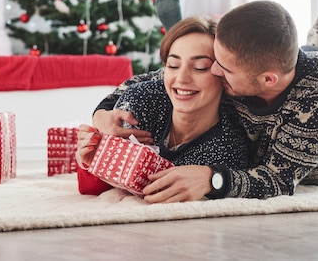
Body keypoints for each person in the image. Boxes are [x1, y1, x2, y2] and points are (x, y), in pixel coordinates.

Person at [90, 0, 318, 203]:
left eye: (219, 67)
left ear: (266, 80)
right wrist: (104, 113)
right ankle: (314, 38)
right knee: (288, 61)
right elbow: (153, 78)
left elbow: (279, 179)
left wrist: (212, 178)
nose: (213, 72)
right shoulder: (247, 64)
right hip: (284, 73)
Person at [76, 15, 250, 195]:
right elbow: (92, 187)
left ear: (223, 76)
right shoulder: (140, 103)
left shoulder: (227, 149)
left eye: (200, 67)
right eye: (173, 65)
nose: (181, 79)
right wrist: (91, 161)